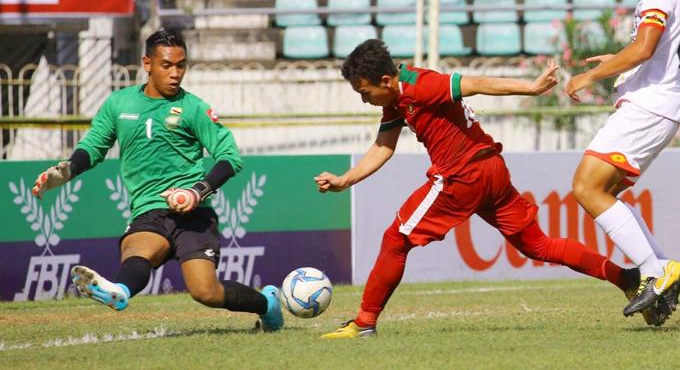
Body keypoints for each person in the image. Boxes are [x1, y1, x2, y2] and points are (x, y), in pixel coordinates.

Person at [314, 39, 647, 340]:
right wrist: (346, 179)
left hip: (462, 177)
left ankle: (364, 323)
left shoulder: (420, 84)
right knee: (538, 245)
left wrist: (530, 89)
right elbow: (383, 146)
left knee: (395, 239)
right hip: (491, 171)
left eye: (365, 93)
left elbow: (474, 83)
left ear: (386, 81)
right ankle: (627, 280)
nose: (364, 100)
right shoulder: (396, 99)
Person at [31, 29, 283, 332]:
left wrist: (197, 191)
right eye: (167, 65)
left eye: (181, 65)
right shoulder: (119, 104)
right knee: (137, 254)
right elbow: (93, 146)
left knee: (205, 292)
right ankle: (119, 292)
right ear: (147, 63)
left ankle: (268, 305)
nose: (176, 73)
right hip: (149, 210)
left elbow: (230, 157)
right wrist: (68, 170)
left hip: (194, 215)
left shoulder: (194, 108)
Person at [565, 0, 680, 321]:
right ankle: (659, 272)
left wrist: (591, 75)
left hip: (648, 105)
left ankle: (656, 272)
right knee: (602, 191)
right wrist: (618, 60)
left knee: (586, 187)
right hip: (666, 107)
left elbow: (644, 48)